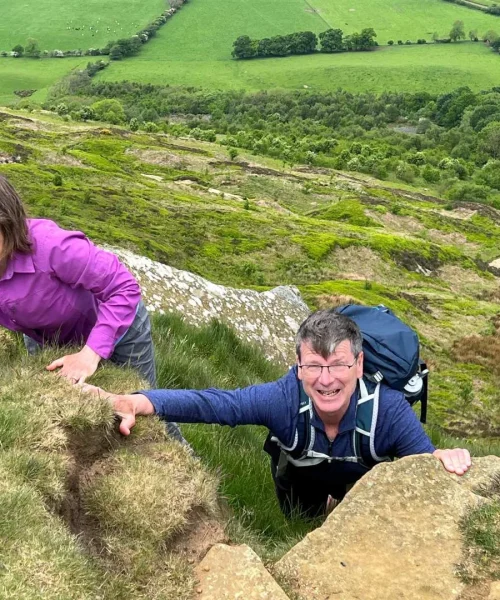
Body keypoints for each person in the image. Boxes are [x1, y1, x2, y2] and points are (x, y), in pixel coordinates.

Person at [84, 309, 471, 518]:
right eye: (313, 366)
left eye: (337, 365)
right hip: (302, 481)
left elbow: (423, 460)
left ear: (358, 364)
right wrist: (139, 401)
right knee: (300, 521)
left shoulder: (387, 409)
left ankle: (341, 508)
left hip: (361, 484)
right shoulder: (283, 400)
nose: (325, 380)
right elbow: (217, 404)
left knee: (358, 513)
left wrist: (443, 458)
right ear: (298, 366)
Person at [0, 174, 184, 441]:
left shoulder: (52, 246)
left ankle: (181, 459)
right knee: (55, 410)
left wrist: (89, 355)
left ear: (10, 222)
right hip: (49, 336)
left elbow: (123, 287)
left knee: (144, 411)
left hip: (119, 329)